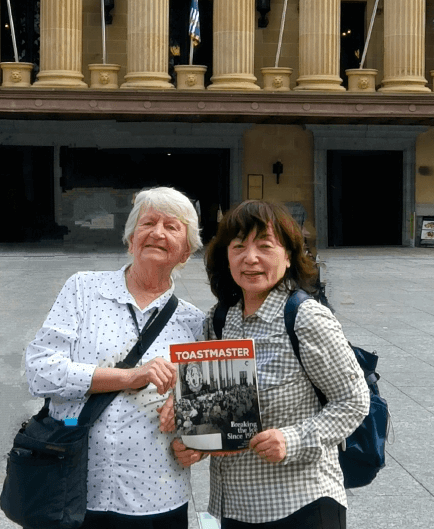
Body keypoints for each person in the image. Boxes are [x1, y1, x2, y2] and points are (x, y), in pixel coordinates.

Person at [167, 200, 369, 529]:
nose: (251, 258)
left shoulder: (306, 318)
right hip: (231, 507)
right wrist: (194, 444)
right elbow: (215, 413)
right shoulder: (218, 321)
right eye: (239, 247)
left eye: (265, 246)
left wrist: (292, 440)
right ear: (226, 257)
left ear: (288, 256)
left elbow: (353, 401)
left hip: (299, 504)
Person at [25, 187, 206, 529]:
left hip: (158, 495)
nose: (157, 232)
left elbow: (206, 411)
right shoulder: (83, 290)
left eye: (172, 227)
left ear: (185, 252)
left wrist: (196, 443)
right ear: (131, 240)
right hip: (74, 489)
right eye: (148, 223)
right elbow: (39, 370)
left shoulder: (193, 322)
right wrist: (130, 377)